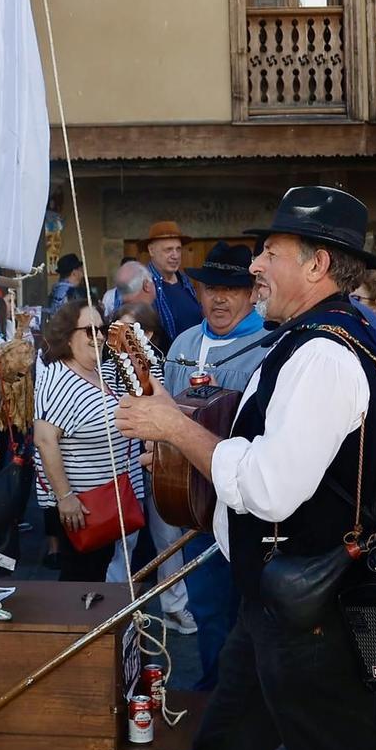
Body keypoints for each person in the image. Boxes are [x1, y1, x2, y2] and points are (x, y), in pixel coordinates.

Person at [90, 186, 376, 750]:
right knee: (230, 747)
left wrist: (175, 425)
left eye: (270, 253)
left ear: (316, 262)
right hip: (283, 599)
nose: (257, 267)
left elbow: (272, 484)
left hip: (313, 610)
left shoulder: (325, 354)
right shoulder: (315, 340)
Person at [162, 243, 270, 679]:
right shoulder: (185, 342)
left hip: (249, 501)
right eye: (211, 289)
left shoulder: (271, 344)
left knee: (253, 606)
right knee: (207, 606)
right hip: (193, 503)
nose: (219, 298)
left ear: (251, 294)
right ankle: (213, 694)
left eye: (232, 288)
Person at [31, 299, 149, 583]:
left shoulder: (97, 370)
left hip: (110, 498)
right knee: (81, 580)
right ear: (67, 336)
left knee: (97, 574)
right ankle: (79, 628)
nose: (97, 336)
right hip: (84, 507)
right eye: (88, 330)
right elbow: (45, 440)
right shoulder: (58, 379)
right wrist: (66, 498)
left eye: (101, 329)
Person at [143, 221, 201, 342]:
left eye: (178, 249)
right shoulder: (140, 287)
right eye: (168, 250)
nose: (175, 255)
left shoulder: (184, 281)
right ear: (151, 250)